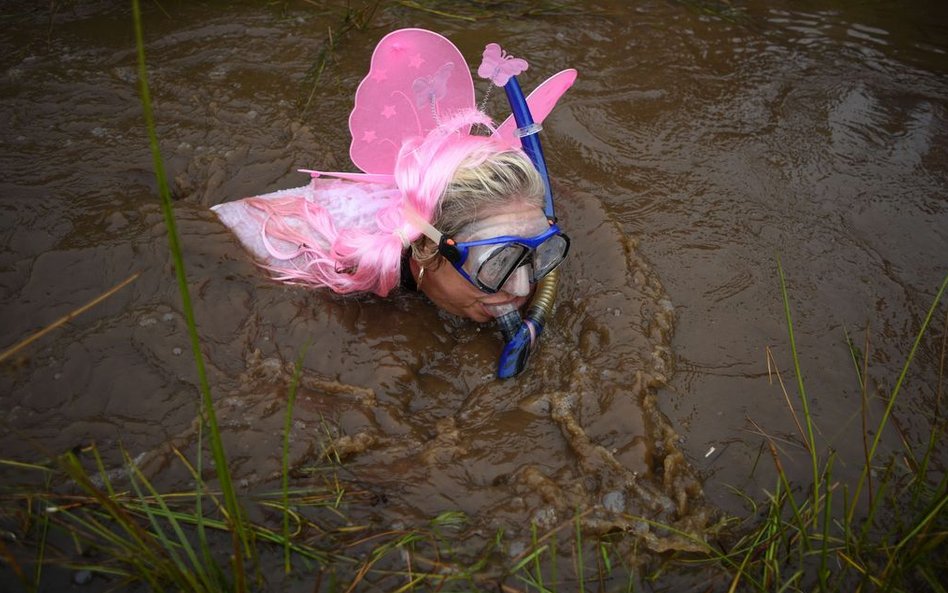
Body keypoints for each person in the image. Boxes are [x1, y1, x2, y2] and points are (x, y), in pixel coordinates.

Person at [212, 28, 576, 375]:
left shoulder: (500, 220)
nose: (522, 288)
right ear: (425, 247)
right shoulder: (298, 254)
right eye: (498, 263)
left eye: (537, 255)